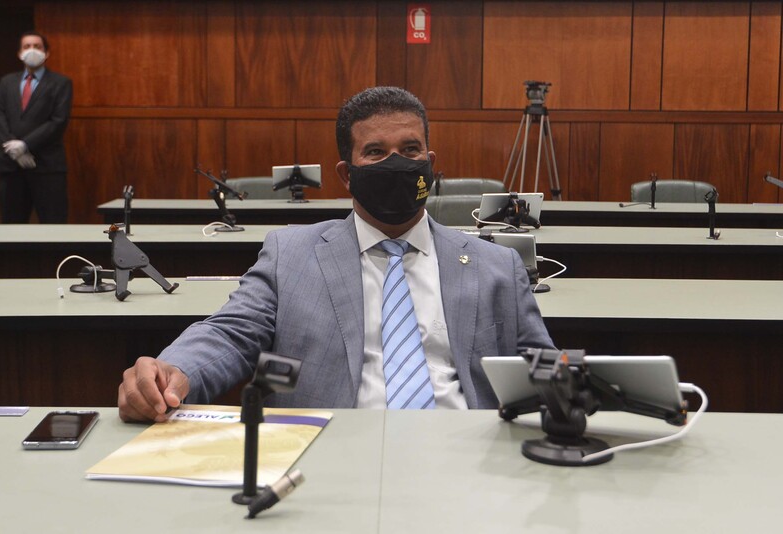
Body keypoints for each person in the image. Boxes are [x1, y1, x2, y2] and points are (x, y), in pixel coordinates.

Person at [118, 86, 554, 422]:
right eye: (376, 152)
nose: (396, 164)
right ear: (347, 174)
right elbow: (231, 334)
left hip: (464, 453)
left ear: (430, 162)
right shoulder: (291, 254)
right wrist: (174, 370)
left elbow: (544, 370)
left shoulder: (496, 264)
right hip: (324, 449)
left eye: (410, 150)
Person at [0, 31, 73, 223]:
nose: (32, 50)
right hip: (12, 167)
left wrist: (25, 145)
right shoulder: (6, 82)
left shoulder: (61, 83)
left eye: (37, 46)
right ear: (19, 53)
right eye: (27, 46)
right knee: (11, 227)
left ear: (46, 53)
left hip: (47, 167)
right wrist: (14, 150)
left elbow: (58, 120)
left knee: (54, 225)